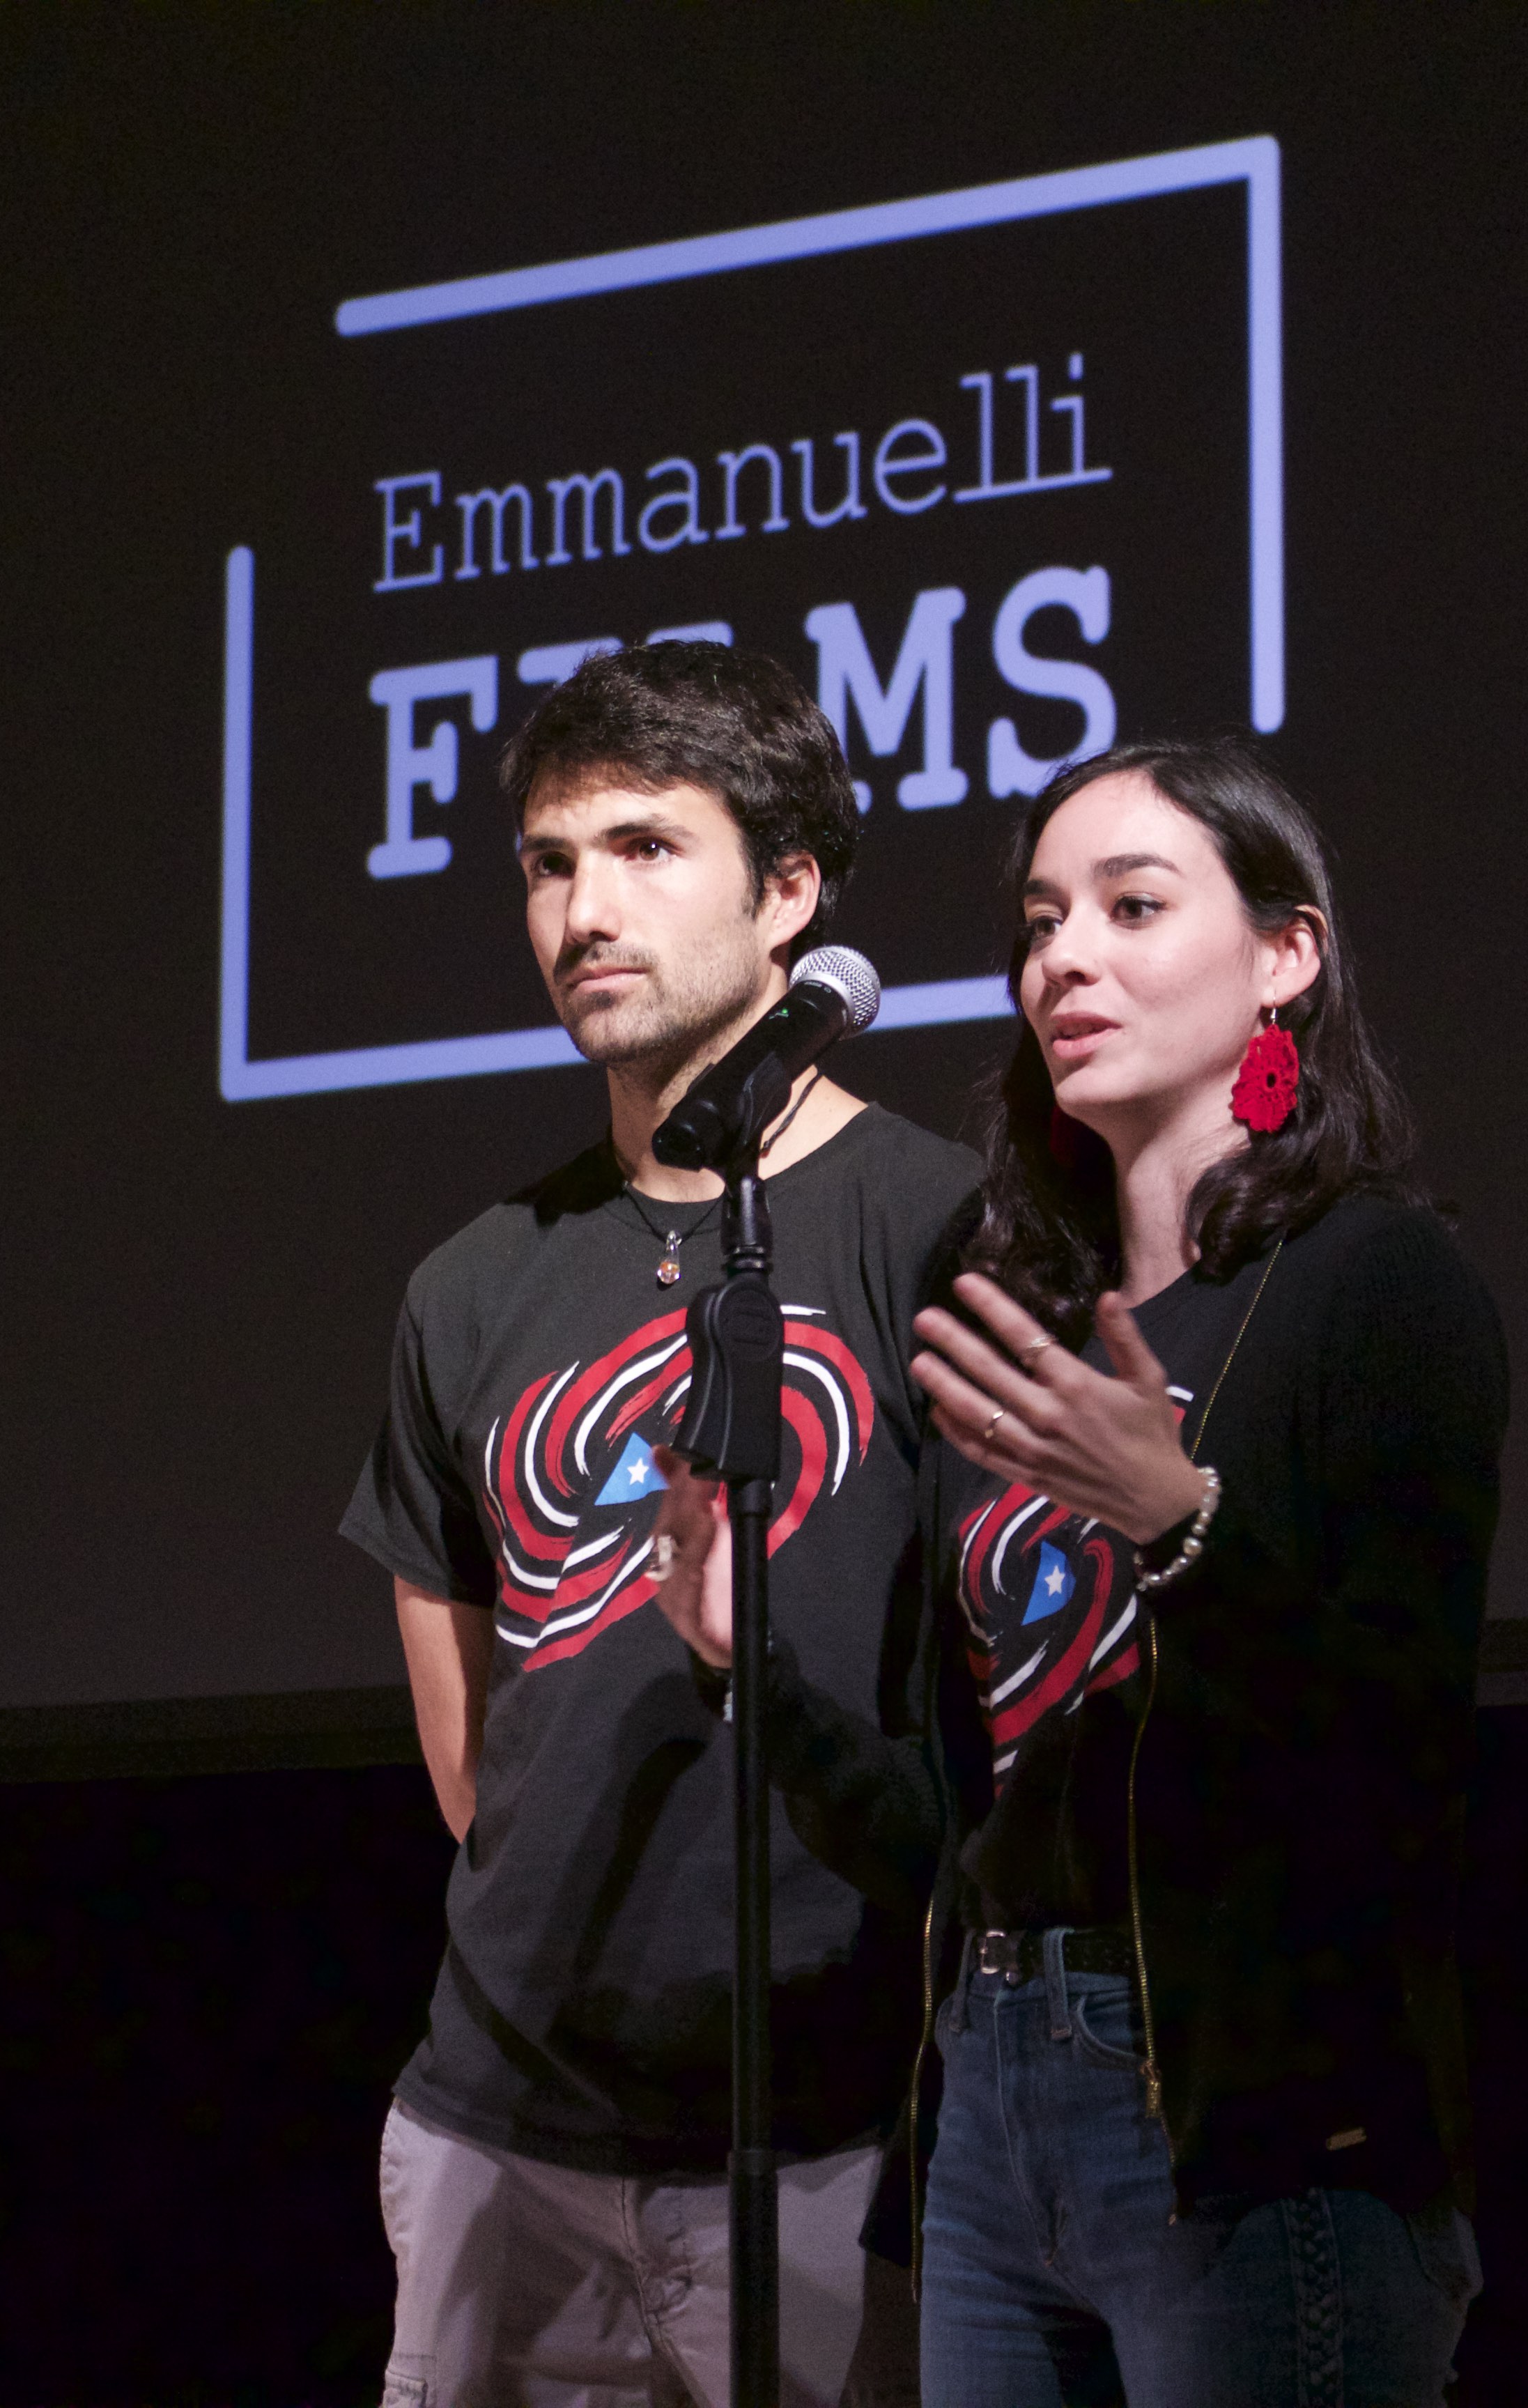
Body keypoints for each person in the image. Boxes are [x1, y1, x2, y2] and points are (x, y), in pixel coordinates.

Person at [646, 736, 1507, 2403]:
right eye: (1042, 921)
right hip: (994, 2093)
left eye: (1132, 905)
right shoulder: (1016, 1344)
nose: (1065, 957)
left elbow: (1397, 1755)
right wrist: (754, 1668)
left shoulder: (1378, 1287)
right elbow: (960, 1826)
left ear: (1286, 956)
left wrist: (1181, 1526)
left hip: (1253, 2121)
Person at [341, 641, 982, 2408]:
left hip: (816, 2138)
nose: (579, 911)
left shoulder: (940, 1227)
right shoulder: (471, 1285)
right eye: (548, 865)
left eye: (641, 848)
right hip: (499, 2130)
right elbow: (464, 1734)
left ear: (791, 892)